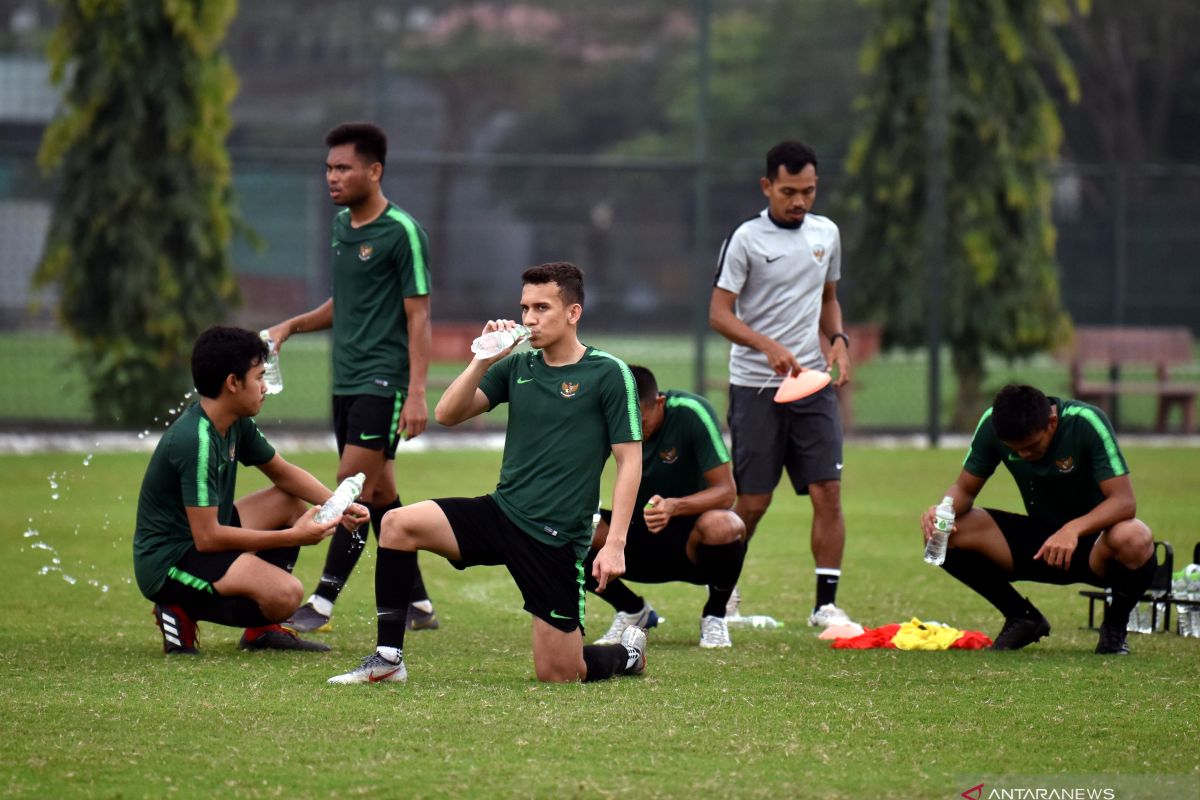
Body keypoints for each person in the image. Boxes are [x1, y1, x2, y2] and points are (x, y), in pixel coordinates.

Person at [327, 262, 648, 684]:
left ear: (573, 313)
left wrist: (615, 544)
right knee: (397, 524)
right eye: (525, 307)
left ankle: (627, 655)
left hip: (554, 538)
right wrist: (482, 359)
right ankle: (388, 659)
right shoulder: (518, 368)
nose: (529, 318)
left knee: (559, 672)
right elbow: (447, 413)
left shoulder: (608, 373)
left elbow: (630, 460)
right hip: (502, 513)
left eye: (542, 308)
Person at [267, 122, 438, 635]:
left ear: (374, 170)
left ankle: (320, 602)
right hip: (344, 382)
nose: (332, 177)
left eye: (343, 167)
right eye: (328, 168)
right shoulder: (343, 226)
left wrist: (417, 393)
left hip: (383, 383)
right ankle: (420, 604)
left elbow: (419, 316)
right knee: (380, 494)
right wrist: (294, 325)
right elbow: (347, 304)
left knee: (351, 488)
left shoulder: (402, 232)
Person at [134, 326, 369, 655]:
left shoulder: (234, 422)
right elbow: (208, 538)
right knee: (286, 596)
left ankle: (261, 631)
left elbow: (283, 473)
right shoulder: (196, 440)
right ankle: (178, 608)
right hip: (171, 560)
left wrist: (337, 504)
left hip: (200, 537)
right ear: (233, 383)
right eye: (259, 377)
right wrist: (293, 537)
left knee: (287, 502)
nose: (265, 387)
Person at [708, 139, 853, 628]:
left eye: (808, 192)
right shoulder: (746, 239)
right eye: (789, 191)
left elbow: (829, 297)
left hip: (811, 383)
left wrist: (837, 340)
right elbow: (719, 314)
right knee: (752, 501)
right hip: (755, 387)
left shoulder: (826, 234)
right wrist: (765, 345)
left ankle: (825, 605)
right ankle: (722, 599)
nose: (799, 202)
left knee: (827, 491)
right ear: (767, 186)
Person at [920, 384, 1156, 655]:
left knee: (1134, 536)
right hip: (1042, 544)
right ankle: (1022, 617)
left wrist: (1073, 530)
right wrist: (943, 509)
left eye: (1031, 446)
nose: (1024, 455)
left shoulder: (1086, 422)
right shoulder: (993, 424)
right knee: (946, 533)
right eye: (1015, 450)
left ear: (1052, 422)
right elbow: (963, 489)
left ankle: (1114, 629)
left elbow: (1124, 502)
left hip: (1097, 546)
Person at [586, 365, 746, 649]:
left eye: (642, 422)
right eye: (627, 424)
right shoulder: (607, 418)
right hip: (633, 536)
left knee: (727, 525)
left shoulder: (690, 411)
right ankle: (633, 610)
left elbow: (727, 493)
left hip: (692, 544)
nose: (635, 432)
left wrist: (674, 506)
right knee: (567, 527)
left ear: (659, 402)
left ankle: (715, 615)